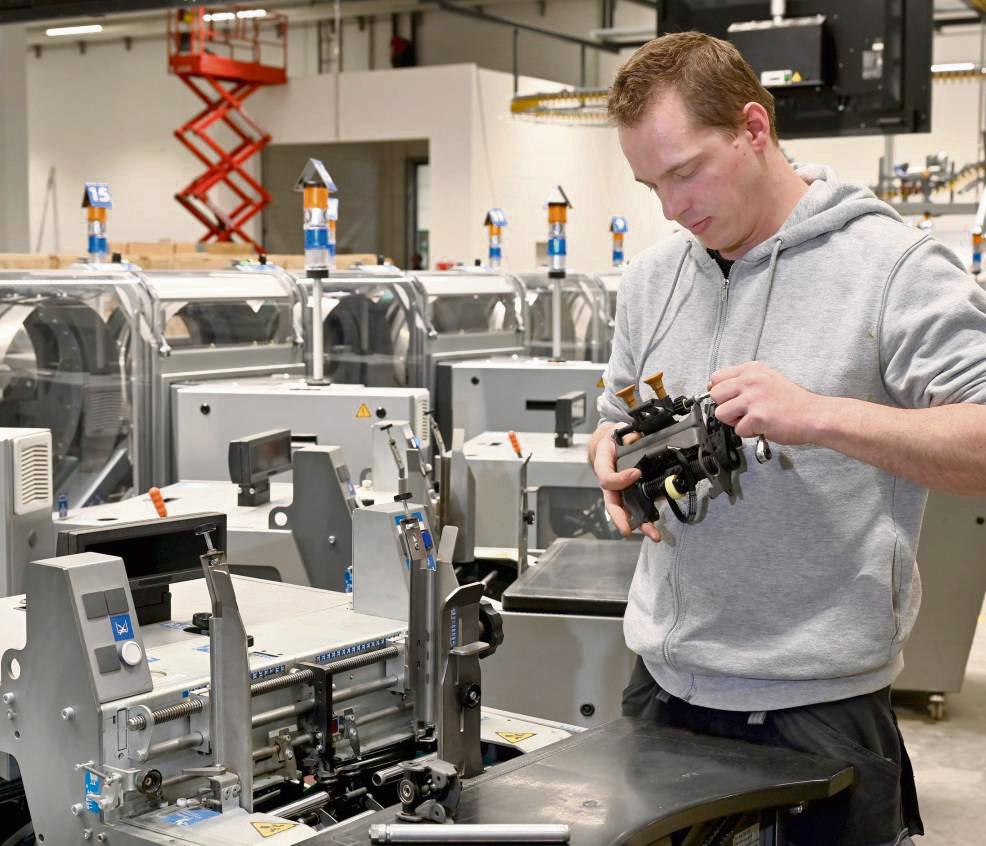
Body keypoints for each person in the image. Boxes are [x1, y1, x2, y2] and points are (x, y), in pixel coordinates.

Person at [589, 31, 986, 846]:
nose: (672, 206)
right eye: (649, 183)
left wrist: (818, 414)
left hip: (819, 706)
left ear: (753, 129)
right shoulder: (652, 280)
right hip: (664, 688)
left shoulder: (893, 267)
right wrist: (609, 455)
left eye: (686, 170)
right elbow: (617, 414)